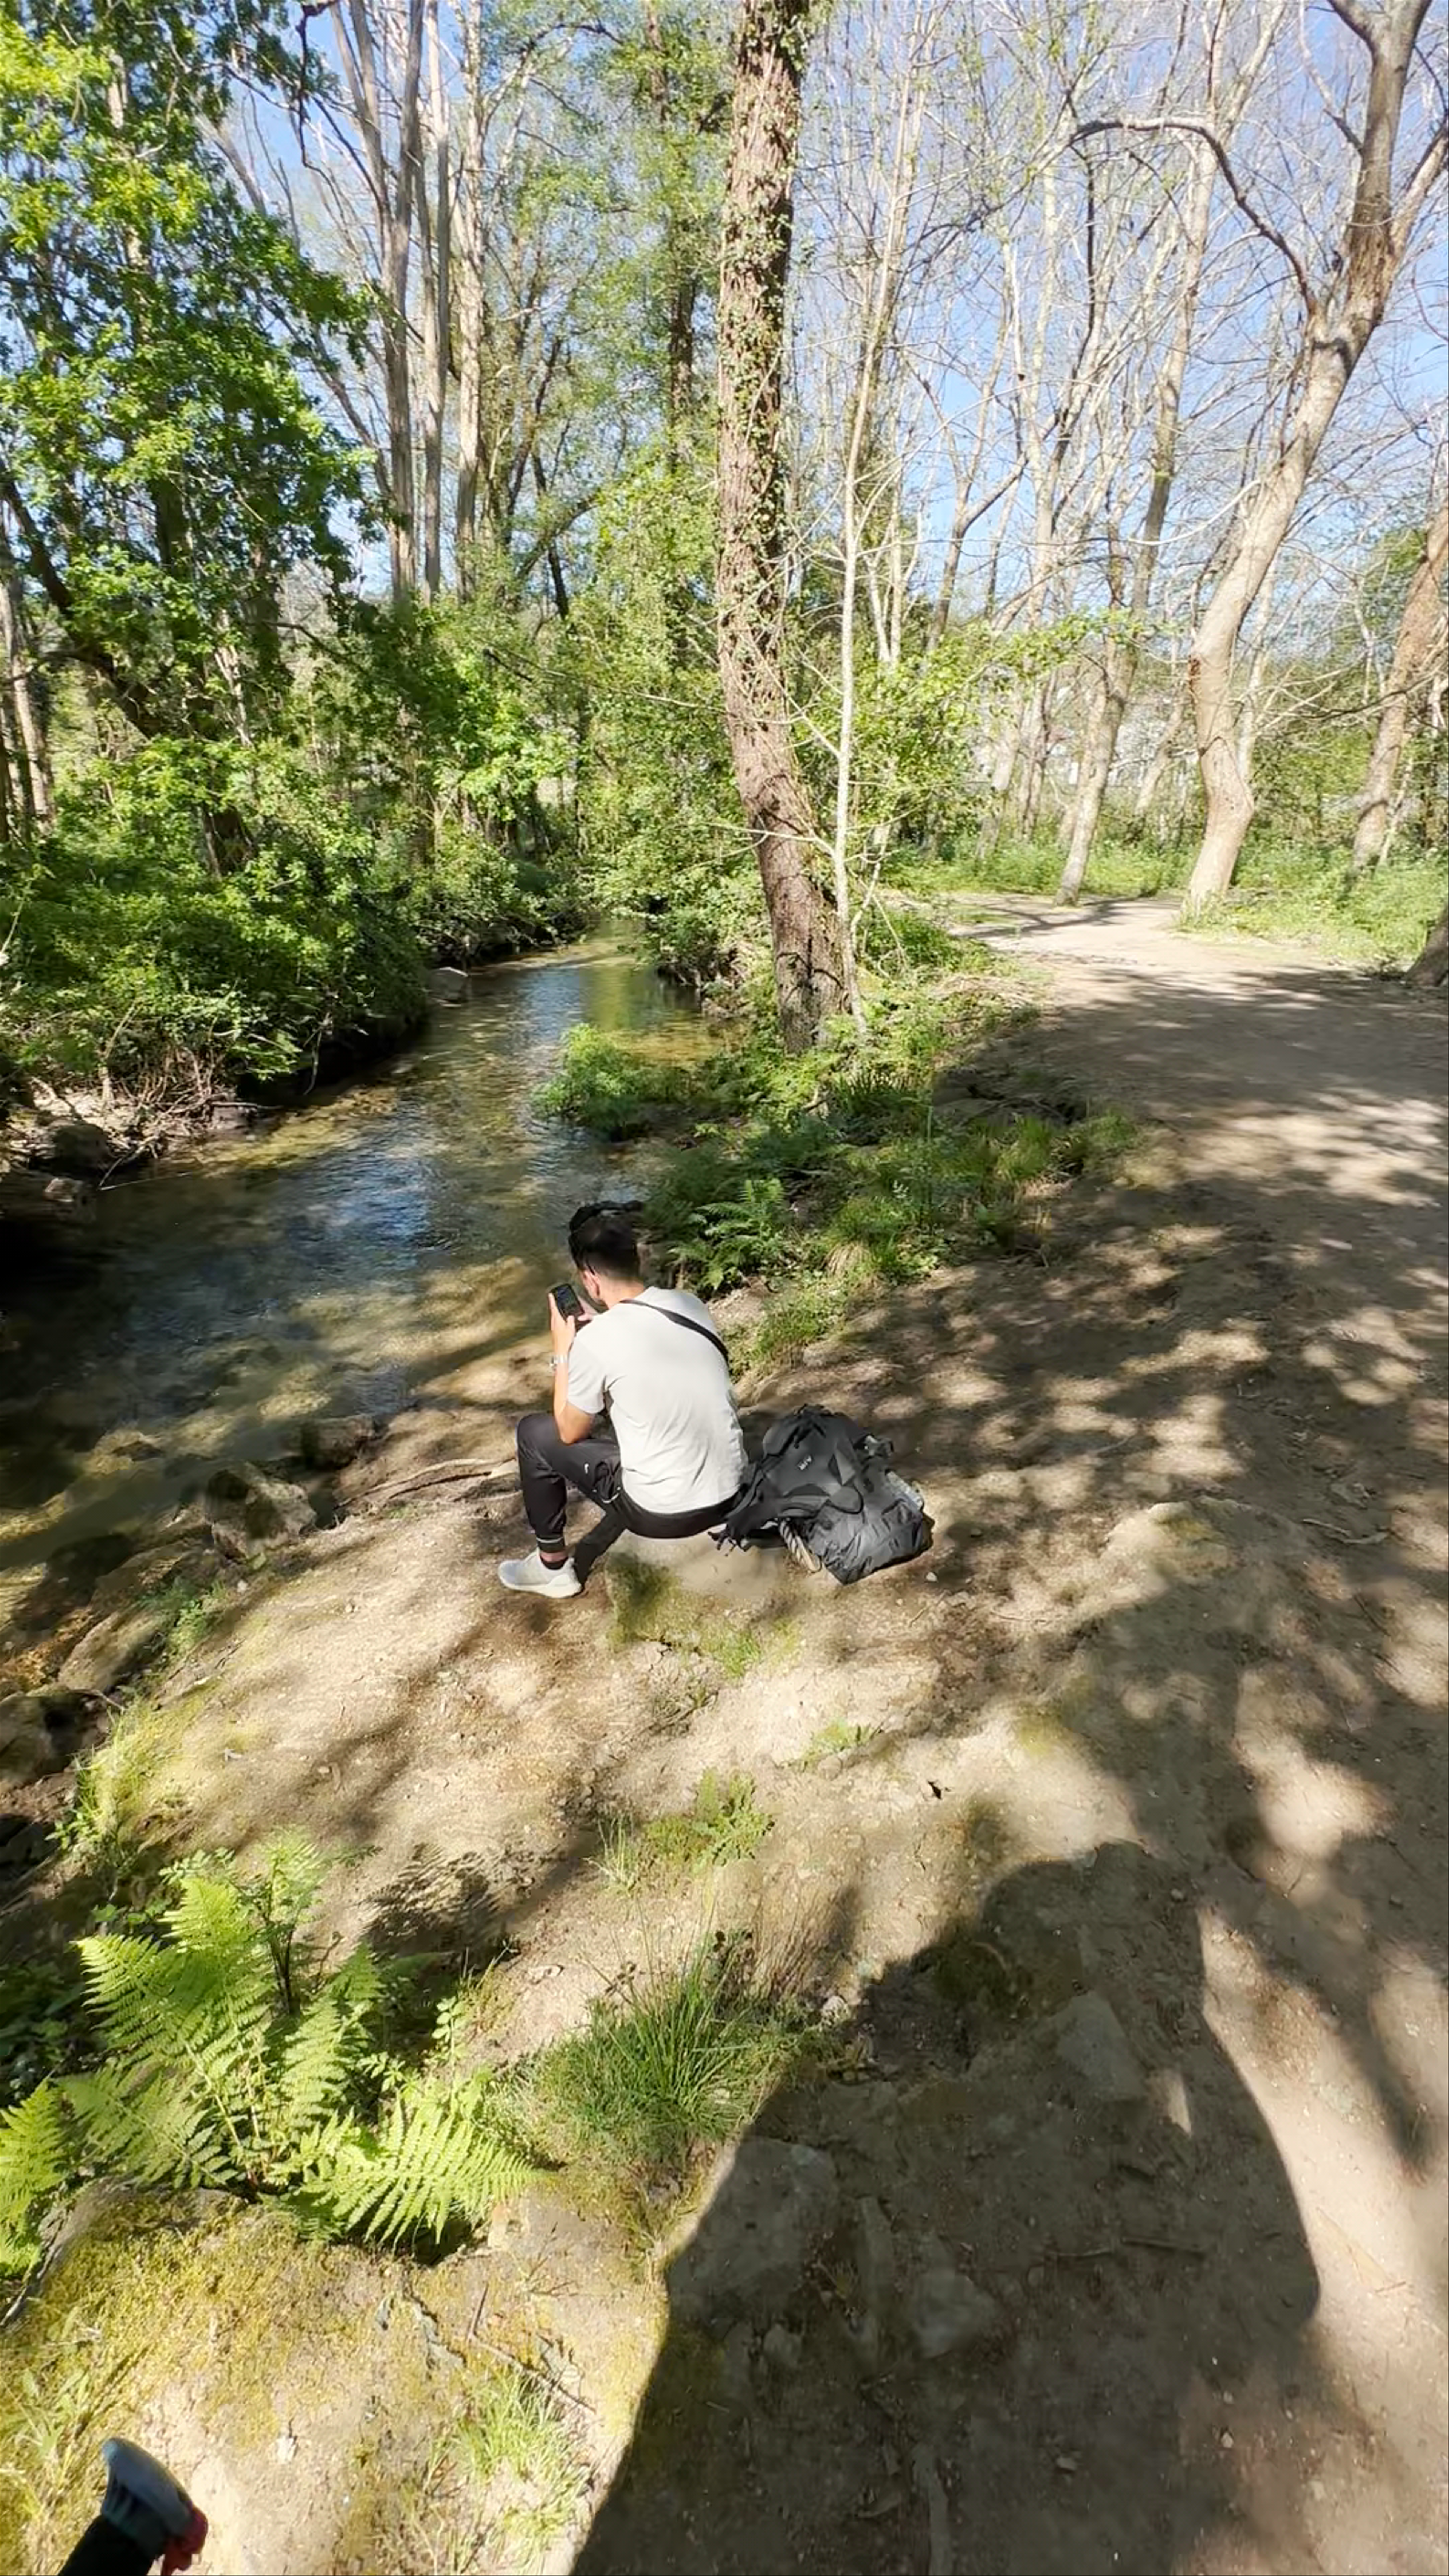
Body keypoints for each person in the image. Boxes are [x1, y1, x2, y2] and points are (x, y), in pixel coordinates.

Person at [498, 1202, 747, 1599]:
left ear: (590, 1279)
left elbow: (568, 1430)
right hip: (732, 1493)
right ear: (639, 1259)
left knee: (534, 1433)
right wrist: (599, 1326)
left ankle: (552, 1567)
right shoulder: (690, 1305)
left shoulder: (597, 1342)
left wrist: (563, 1350)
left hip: (665, 1515)